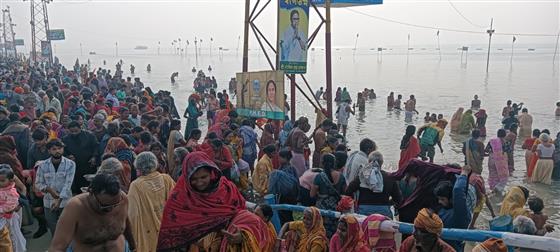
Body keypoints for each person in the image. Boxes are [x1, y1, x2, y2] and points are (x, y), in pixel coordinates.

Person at [157, 152, 246, 250]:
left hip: (227, 245)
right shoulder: (179, 198)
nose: (199, 183)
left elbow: (242, 216)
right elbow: (169, 233)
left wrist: (242, 235)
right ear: (186, 177)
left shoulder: (227, 190)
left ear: (211, 173)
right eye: (193, 179)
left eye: (204, 177)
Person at [49, 173, 136, 252]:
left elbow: (127, 225)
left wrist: (133, 247)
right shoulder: (75, 207)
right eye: (105, 207)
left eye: (115, 205)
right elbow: (57, 247)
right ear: (90, 192)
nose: (111, 209)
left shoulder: (122, 199)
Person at [128, 152, 175, 252]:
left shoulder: (136, 185)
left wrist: (132, 240)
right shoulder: (166, 178)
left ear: (139, 168)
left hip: (148, 235)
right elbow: (177, 203)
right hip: (168, 232)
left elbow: (132, 215)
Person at [35, 139, 76, 236]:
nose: (57, 151)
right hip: (49, 201)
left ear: (63, 149)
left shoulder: (70, 164)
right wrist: (49, 190)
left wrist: (59, 199)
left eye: (59, 148)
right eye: (54, 149)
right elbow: (38, 183)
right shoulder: (42, 165)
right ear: (49, 151)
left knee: (67, 224)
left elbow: (68, 184)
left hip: (65, 200)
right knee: (52, 225)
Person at [345, 151, 402, 219]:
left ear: (369, 162)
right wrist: (388, 203)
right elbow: (398, 198)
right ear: (382, 163)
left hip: (364, 212)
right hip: (384, 212)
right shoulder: (389, 177)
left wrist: (355, 202)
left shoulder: (362, 176)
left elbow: (348, 191)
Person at [433, 165, 472, 251]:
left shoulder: (460, 213)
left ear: (451, 198)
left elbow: (458, 190)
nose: (439, 202)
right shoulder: (444, 209)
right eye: (439, 199)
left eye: (442, 199)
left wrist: (464, 173)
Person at [311, 153, 346, 237]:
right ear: (334, 163)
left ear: (323, 163)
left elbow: (312, 194)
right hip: (337, 208)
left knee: (321, 231)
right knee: (336, 232)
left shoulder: (319, 177)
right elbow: (345, 192)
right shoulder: (341, 176)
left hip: (322, 209)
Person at [62, 120, 99, 194]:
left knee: (89, 185)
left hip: (88, 164)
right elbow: (63, 151)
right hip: (75, 165)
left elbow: (96, 147)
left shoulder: (89, 136)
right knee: (77, 185)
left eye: (76, 131)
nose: (74, 133)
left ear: (80, 128)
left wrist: (94, 157)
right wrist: (68, 156)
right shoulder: (65, 139)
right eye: (71, 131)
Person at [268, 150, 299, 224]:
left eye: (280, 158)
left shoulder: (286, 170)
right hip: (288, 196)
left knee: (285, 215)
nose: (278, 159)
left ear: (285, 158)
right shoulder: (287, 168)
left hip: (286, 197)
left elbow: (292, 184)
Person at [0, 164, 26, 252]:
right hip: (3, 216)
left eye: (2, 181)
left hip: (10, 216)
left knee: (13, 236)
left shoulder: (11, 191)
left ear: (10, 180)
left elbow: (23, 188)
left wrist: (19, 204)